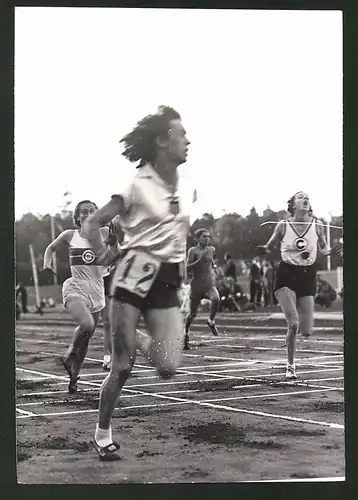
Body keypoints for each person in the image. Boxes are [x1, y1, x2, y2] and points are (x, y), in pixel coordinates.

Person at [83, 105, 195, 461]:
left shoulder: (188, 186)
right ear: (163, 140)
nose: (188, 140)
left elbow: (177, 233)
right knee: (122, 366)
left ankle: (135, 337)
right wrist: (107, 249)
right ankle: (102, 435)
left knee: (167, 366)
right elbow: (93, 223)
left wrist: (181, 273)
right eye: (181, 133)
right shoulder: (136, 184)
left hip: (165, 280)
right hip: (132, 275)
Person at [258, 191, 342, 379]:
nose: (305, 199)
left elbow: (324, 249)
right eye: (300, 197)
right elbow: (269, 245)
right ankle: (290, 366)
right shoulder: (282, 225)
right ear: (293, 204)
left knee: (306, 329)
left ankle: (295, 344)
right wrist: (263, 249)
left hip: (307, 273)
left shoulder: (317, 225)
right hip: (287, 273)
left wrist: (334, 251)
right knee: (294, 323)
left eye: (307, 197)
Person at [43, 200, 120, 393]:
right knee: (87, 325)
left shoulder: (105, 233)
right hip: (75, 286)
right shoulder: (70, 235)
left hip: (97, 288)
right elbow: (51, 249)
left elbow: (115, 257)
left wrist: (114, 244)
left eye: (92, 211)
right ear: (77, 217)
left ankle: (74, 376)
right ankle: (70, 354)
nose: (87, 214)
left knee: (86, 337)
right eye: (83, 212)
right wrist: (47, 264)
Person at [183, 228, 220, 350]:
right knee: (192, 314)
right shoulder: (193, 251)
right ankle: (186, 333)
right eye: (204, 236)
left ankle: (211, 321)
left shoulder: (211, 249)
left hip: (209, 284)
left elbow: (210, 261)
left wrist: (214, 267)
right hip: (197, 285)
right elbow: (187, 267)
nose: (207, 238)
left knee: (216, 299)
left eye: (208, 236)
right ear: (198, 238)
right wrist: (198, 261)